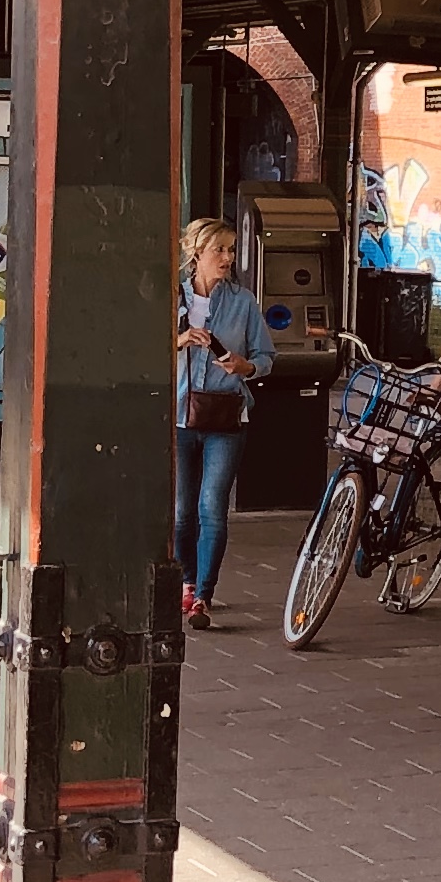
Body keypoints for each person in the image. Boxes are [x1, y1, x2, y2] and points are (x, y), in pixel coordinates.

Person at [173, 216, 269, 629]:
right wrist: (180, 339)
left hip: (227, 415)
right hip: (179, 416)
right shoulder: (172, 297)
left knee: (212, 506)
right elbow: (139, 350)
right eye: (220, 249)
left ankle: (203, 595)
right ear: (196, 253)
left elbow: (266, 358)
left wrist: (244, 366)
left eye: (231, 249)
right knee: (182, 510)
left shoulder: (243, 301)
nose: (228, 257)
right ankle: (186, 582)